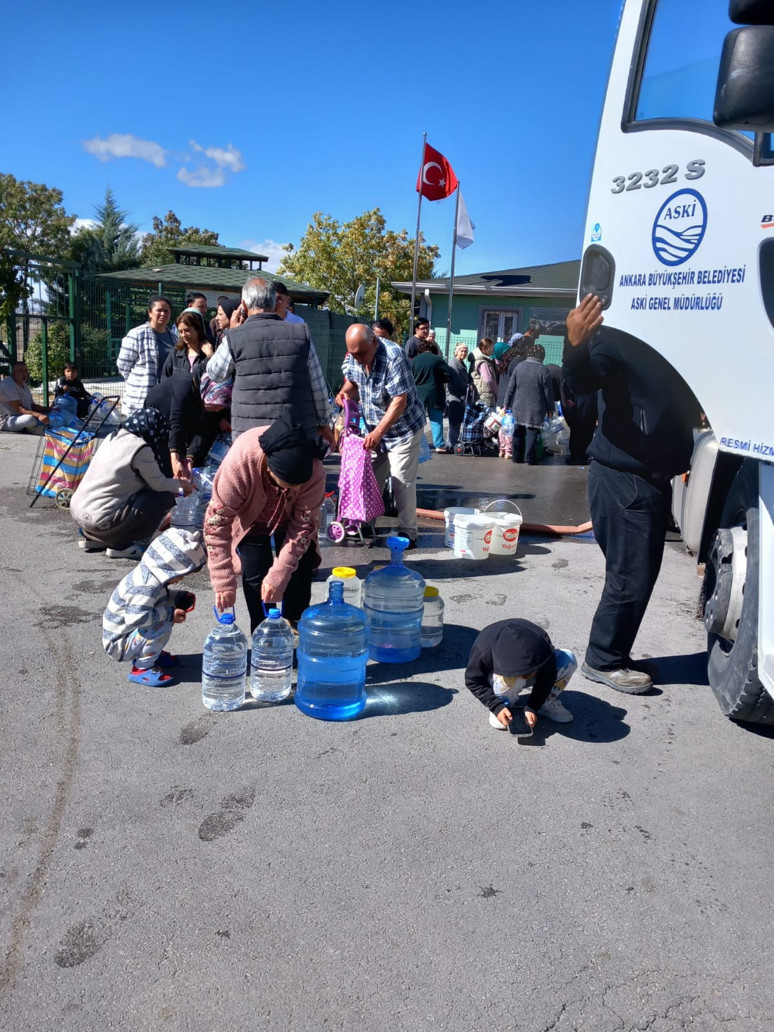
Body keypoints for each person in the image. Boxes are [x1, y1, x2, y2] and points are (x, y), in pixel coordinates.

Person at [562, 293, 702, 693]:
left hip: (644, 476)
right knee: (630, 576)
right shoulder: (617, 337)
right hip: (624, 476)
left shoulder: (665, 341)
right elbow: (583, 381)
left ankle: (613, 653)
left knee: (637, 573)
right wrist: (575, 346)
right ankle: (603, 660)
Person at [205, 419, 325, 633]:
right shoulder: (240, 464)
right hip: (251, 519)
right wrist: (223, 579)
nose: (295, 490)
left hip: (291, 520)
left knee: (299, 567)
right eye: (288, 485)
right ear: (269, 469)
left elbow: (303, 528)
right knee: (255, 571)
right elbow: (216, 526)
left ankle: (295, 621)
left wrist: (279, 575)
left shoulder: (314, 469)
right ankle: (263, 630)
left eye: (299, 485)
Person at [206, 277, 334, 443]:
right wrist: (324, 423)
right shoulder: (302, 333)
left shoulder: (235, 336)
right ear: (275, 303)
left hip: (249, 437)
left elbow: (215, 373)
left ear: (243, 306)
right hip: (295, 435)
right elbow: (317, 387)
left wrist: (232, 332)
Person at [336, 323, 426, 547]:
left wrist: (377, 432)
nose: (358, 359)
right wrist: (344, 395)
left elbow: (399, 401)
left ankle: (408, 532)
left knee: (400, 480)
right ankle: (365, 523)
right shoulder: (354, 357)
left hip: (403, 429)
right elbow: (353, 383)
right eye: (354, 354)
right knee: (369, 478)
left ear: (374, 342)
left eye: (362, 353)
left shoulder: (395, 357)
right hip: (374, 430)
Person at [70, 408, 193, 560]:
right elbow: (159, 484)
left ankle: (95, 537)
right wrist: (182, 485)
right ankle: (125, 545)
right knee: (162, 497)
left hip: (78, 511)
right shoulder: (140, 447)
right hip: (99, 519)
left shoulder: (113, 436)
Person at [102, 527, 206, 686]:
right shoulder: (145, 587)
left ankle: (149, 652)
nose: (182, 578)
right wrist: (170, 614)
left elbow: (157, 599)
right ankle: (142, 668)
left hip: (127, 635)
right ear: (169, 568)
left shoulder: (152, 574)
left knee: (163, 614)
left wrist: (177, 597)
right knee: (162, 623)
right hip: (119, 644)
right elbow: (137, 618)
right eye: (180, 574)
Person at [465, 619, 576, 729]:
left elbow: (549, 674)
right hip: (497, 676)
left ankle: (545, 702)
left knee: (568, 660)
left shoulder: (541, 644)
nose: (526, 678)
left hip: (533, 663)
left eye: (529, 674)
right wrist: (496, 706)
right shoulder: (484, 649)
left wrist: (533, 706)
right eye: (523, 675)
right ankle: (504, 704)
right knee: (510, 682)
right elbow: (472, 680)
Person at [117, 295, 177, 417]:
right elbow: (123, 364)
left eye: (166, 311)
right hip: (141, 397)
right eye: (159, 310)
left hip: (165, 396)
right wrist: (137, 381)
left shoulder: (174, 338)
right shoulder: (137, 334)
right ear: (150, 313)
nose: (163, 314)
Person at [504, 340, 555, 464]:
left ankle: (516, 457)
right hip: (536, 407)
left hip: (518, 404)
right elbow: (548, 392)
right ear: (542, 356)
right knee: (532, 432)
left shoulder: (519, 366)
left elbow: (511, 387)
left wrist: (506, 403)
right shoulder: (543, 370)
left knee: (518, 430)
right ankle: (529, 458)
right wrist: (550, 409)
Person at [411, 339, 451, 452]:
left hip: (419, 394)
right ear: (433, 350)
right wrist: (439, 379)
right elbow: (449, 375)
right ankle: (439, 445)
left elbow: (410, 377)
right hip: (436, 392)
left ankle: (416, 444)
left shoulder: (414, 361)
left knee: (417, 420)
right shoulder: (438, 360)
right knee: (436, 419)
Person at [0, 361, 50, 433]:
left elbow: (32, 406)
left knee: (52, 415)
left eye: (26, 371)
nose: (24, 373)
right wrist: (39, 415)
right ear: (14, 373)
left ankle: (36, 427)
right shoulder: (8, 384)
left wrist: (49, 409)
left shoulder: (24, 385)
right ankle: (36, 430)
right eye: (20, 370)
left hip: (22, 416)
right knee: (29, 419)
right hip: (8, 420)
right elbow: (20, 409)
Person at [163, 310, 213, 379]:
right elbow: (165, 378)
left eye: (187, 330)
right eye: (180, 331)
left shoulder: (208, 351)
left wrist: (210, 356)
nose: (183, 335)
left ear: (197, 329)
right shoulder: (176, 353)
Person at [446, 343, 471, 452]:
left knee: (455, 422)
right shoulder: (454, 364)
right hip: (454, 397)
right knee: (454, 422)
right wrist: (467, 387)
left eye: (465, 351)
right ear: (456, 351)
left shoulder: (461, 364)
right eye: (461, 351)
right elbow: (457, 381)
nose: (463, 353)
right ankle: (451, 444)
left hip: (459, 397)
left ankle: (451, 443)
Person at [470, 338, 498, 408]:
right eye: (490, 347)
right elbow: (489, 380)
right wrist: (496, 392)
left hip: (480, 395)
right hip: (486, 396)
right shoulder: (483, 363)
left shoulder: (479, 360)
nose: (492, 349)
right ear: (483, 348)